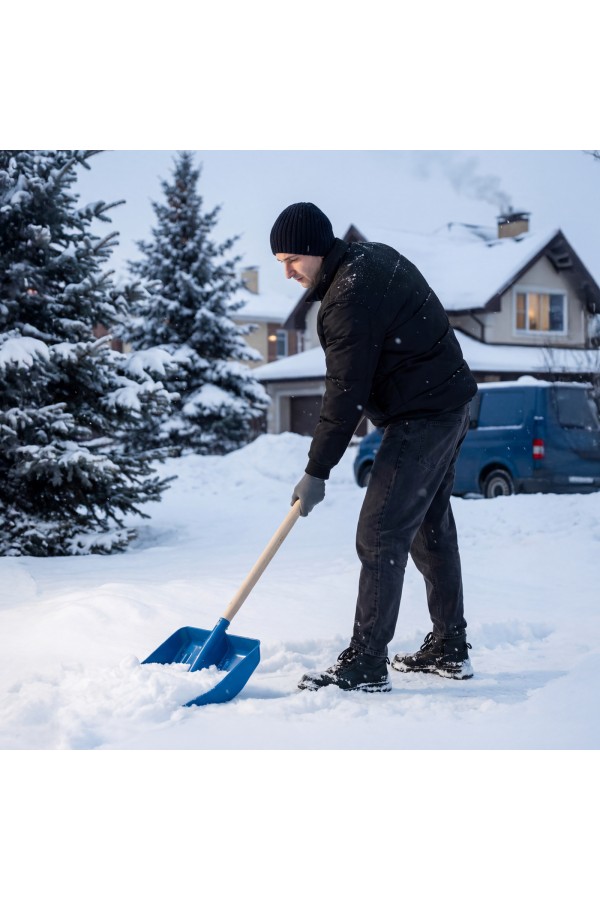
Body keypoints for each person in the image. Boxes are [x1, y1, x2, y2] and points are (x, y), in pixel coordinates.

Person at [270, 202, 478, 693]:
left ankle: (366, 662)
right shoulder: (370, 260)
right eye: (280, 261)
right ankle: (450, 647)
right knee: (429, 526)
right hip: (448, 402)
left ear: (317, 248)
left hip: (424, 415)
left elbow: (344, 393)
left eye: (291, 258)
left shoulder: (348, 296)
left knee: (380, 531)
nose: (287, 272)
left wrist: (316, 470)